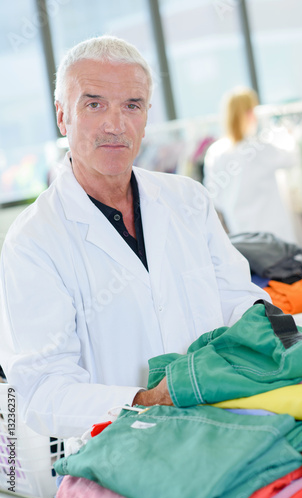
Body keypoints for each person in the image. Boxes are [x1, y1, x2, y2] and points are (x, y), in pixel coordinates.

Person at [0, 37, 269, 438]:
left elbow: (238, 299)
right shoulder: (33, 242)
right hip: (123, 447)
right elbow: (41, 391)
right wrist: (149, 399)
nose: (115, 124)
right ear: (62, 116)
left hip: (223, 425)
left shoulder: (188, 200)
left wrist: (269, 333)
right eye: (94, 104)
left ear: (145, 116)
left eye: (132, 105)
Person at [203, 86, 299, 244]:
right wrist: (287, 134)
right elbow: (292, 158)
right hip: (274, 233)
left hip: (242, 232)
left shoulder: (215, 152)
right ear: (250, 113)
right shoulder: (258, 148)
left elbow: (214, 197)